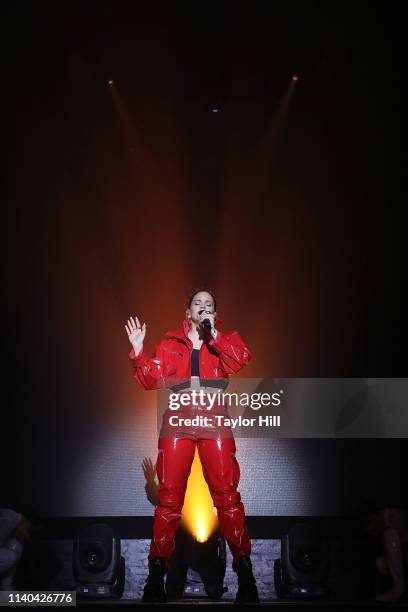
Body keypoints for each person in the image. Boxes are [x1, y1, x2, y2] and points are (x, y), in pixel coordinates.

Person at [125, 289, 259, 603]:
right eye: (197, 304)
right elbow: (149, 380)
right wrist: (139, 351)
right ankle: (156, 579)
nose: (203, 307)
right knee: (169, 500)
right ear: (187, 312)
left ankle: (246, 577)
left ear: (215, 312)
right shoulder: (170, 344)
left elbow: (241, 359)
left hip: (214, 419)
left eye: (209, 304)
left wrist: (214, 335)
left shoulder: (224, 339)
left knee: (227, 497)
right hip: (178, 420)